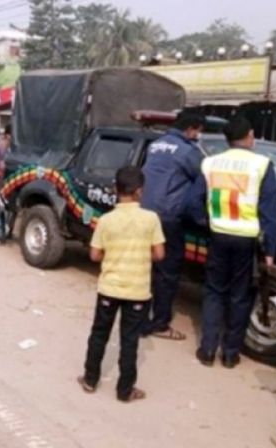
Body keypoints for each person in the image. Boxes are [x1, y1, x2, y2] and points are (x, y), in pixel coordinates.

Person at [186, 116, 276, 368]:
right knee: (239, 295)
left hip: (218, 236)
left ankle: (207, 350)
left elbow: (193, 203)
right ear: (249, 135)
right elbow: (270, 212)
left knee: (214, 291)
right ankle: (230, 354)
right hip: (246, 240)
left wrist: (206, 223)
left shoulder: (210, 163)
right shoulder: (262, 164)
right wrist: (269, 250)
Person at [78, 166, 165, 402]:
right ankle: (125, 390)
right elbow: (159, 254)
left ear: (116, 190)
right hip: (138, 292)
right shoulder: (151, 219)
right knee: (130, 340)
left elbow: (95, 255)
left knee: (99, 334)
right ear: (139, 192)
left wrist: (114, 254)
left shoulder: (106, 220)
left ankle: (90, 379)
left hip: (109, 288)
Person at [139, 112, 205, 341]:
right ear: (190, 129)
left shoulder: (156, 145)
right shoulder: (188, 151)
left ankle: (139, 318)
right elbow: (205, 178)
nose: (198, 136)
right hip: (168, 218)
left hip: (145, 213)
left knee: (146, 268)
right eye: (198, 131)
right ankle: (159, 324)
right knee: (167, 272)